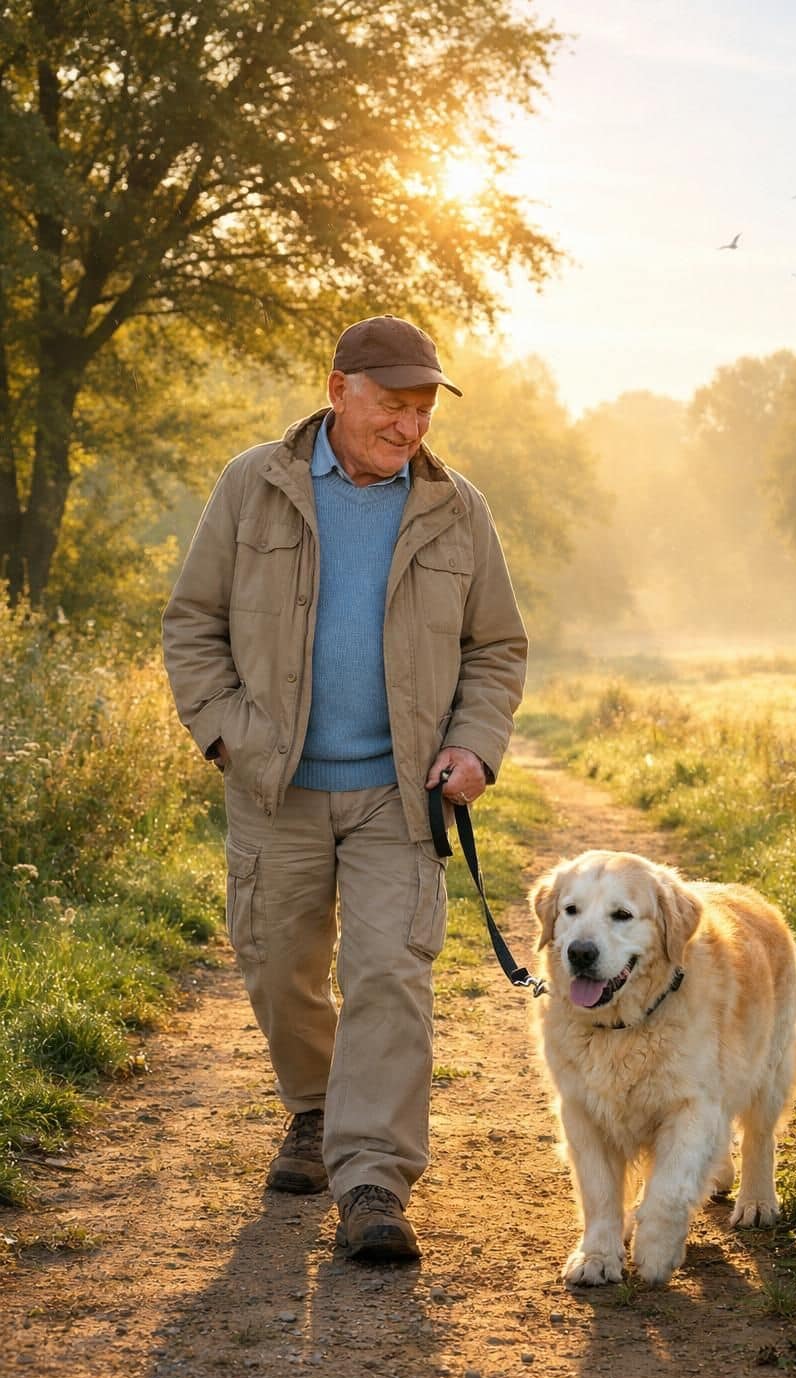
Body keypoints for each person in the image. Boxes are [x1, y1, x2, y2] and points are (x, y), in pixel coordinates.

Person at [162, 315, 527, 1261]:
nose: (409, 429)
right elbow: (192, 623)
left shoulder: (459, 508)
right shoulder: (255, 486)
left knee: (388, 975)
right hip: (274, 787)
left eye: (421, 411)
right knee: (277, 967)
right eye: (392, 407)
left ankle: (371, 1177)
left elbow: (496, 648)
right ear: (338, 391)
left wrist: (475, 748)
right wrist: (229, 739)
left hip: (399, 798)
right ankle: (319, 1108)